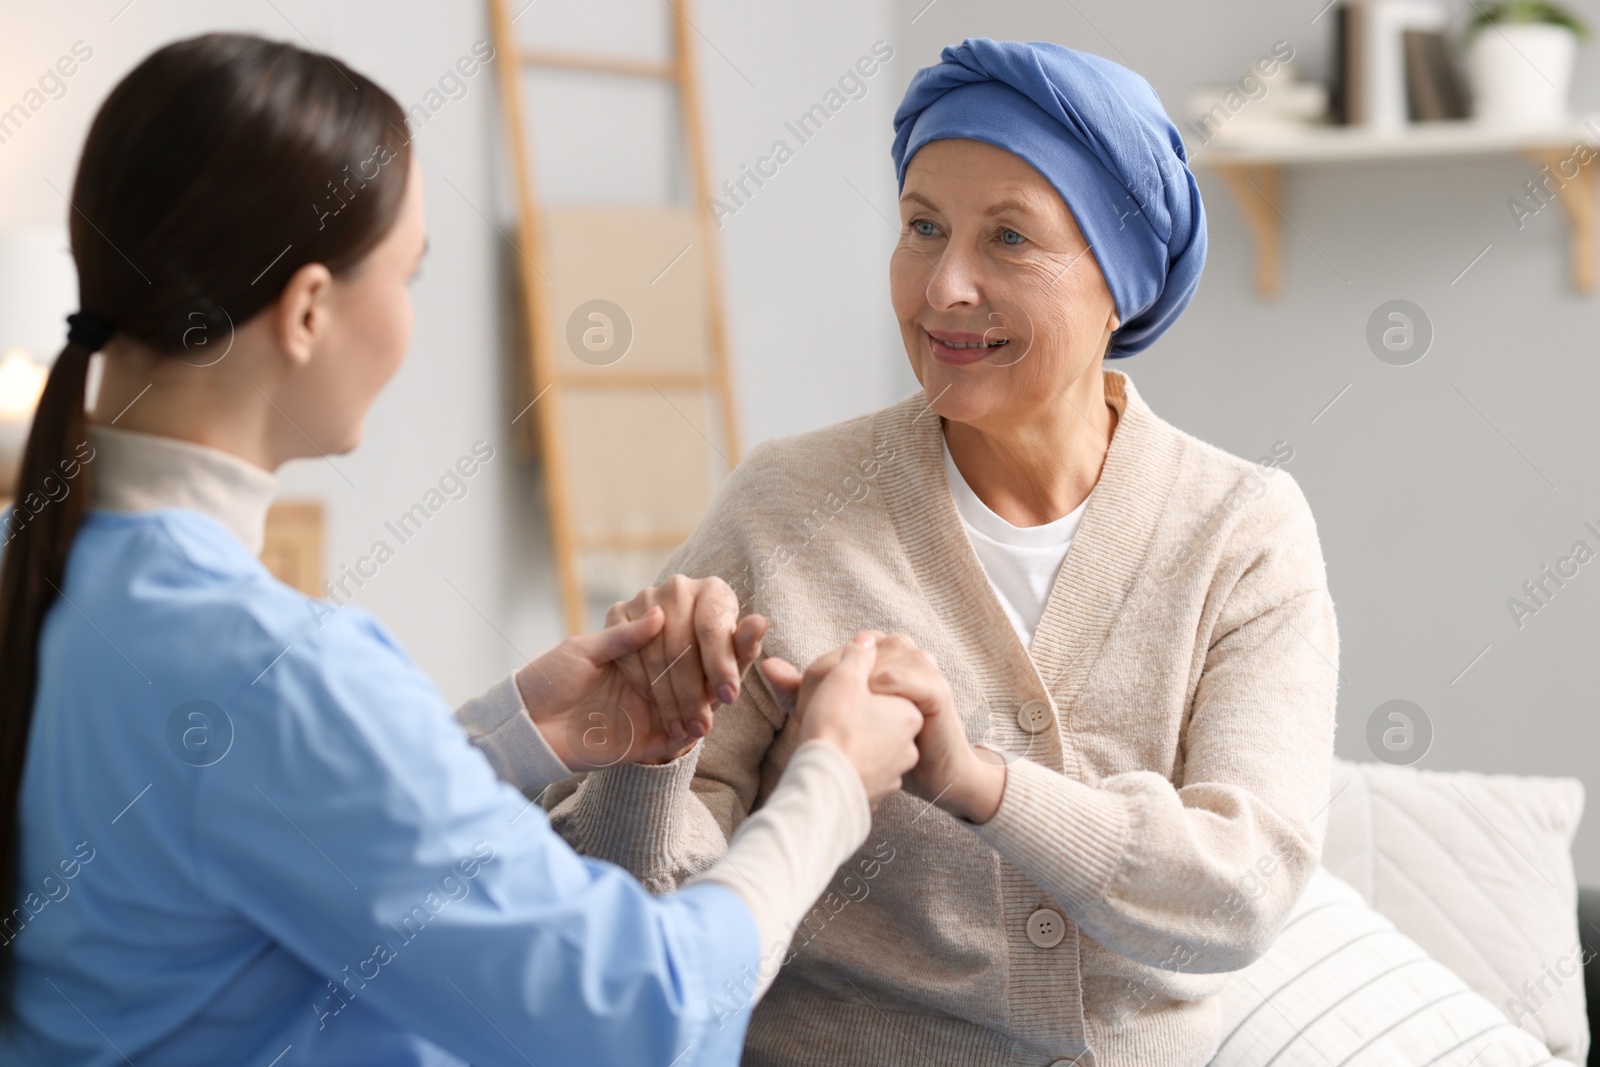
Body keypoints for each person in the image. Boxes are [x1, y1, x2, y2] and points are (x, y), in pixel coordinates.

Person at [0, 33, 928, 1066]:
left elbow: (223, 833)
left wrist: (513, 731)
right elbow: (631, 1011)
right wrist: (830, 781)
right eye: (408, 274)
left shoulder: (44, 562)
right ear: (308, 309)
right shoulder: (276, 669)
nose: (406, 318)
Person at [547, 38, 1340, 1067]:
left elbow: (1239, 890)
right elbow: (637, 920)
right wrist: (649, 761)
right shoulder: (786, 502)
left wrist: (978, 780)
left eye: (1009, 237)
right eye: (922, 226)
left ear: (1122, 280)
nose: (945, 285)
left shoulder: (1242, 530)